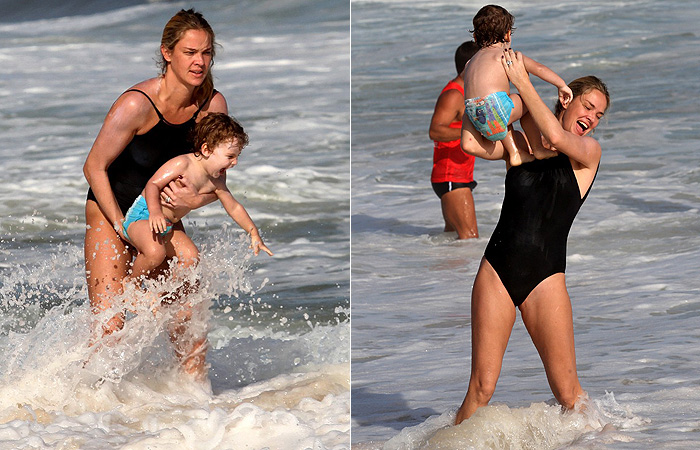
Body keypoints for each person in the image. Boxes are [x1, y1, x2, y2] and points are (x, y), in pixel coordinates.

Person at [455, 48, 610, 425]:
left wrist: (524, 84)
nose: (591, 118)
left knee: (568, 394)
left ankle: (607, 440)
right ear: (568, 100)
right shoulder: (519, 148)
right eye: (587, 106)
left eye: (599, 115)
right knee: (481, 388)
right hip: (497, 269)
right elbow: (470, 145)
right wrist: (476, 93)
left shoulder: (588, 154)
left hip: (546, 277)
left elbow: (555, 136)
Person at [83, 9, 228, 379]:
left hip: (155, 213)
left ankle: (195, 402)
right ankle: (78, 407)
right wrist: (118, 224)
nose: (200, 62)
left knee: (187, 305)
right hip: (110, 209)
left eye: (207, 53)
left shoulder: (212, 107)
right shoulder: (136, 104)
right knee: (110, 327)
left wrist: (192, 202)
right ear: (167, 53)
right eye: (190, 52)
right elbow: (94, 167)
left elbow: (216, 184)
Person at [123, 113, 273, 286]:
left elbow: (233, 207)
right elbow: (152, 185)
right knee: (155, 253)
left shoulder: (218, 180)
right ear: (206, 150)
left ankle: (164, 293)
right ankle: (131, 284)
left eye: (237, 156)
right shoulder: (183, 164)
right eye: (230, 156)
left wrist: (253, 232)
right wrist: (155, 212)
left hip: (167, 226)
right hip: (144, 216)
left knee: (191, 258)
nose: (235, 162)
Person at [462, 4, 572, 167]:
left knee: (501, 103)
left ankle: (515, 152)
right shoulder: (505, 55)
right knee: (526, 100)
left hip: (476, 117)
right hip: (495, 111)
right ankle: (538, 148)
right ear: (507, 35)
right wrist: (561, 85)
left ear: (476, 38)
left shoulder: (469, 63)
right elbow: (539, 68)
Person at [428, 41, 480, 240]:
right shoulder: (453, 95)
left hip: (458, 175)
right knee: (470, 239)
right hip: (451, 176)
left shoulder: (467, 92)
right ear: (470, 66)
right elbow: (435, 130)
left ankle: (441, 271)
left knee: (452, 241)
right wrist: (468, 132)